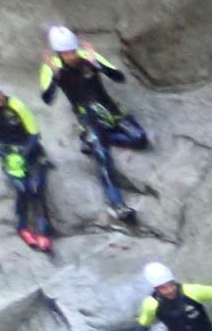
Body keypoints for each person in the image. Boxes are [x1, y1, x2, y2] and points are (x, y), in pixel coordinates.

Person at [40, 26, 148, 220]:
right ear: (59, 53)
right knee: (102, 157)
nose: (71, 56)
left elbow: (119, 77)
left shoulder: (86, 56)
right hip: (86, 116)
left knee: (139, 138)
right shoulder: (51, 66)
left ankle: (99, 140)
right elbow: (47, 99)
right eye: (66, 53)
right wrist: (56, 76)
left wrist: (97, 64)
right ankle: (118, 205)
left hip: (109, 109)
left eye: (72, 51)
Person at [0, 72, 53, 252]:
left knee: (36, 187)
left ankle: (42, 230)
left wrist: (24, 155)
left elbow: (34, 133)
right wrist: (6, 156)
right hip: (9, 154)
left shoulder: (15, 105)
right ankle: (22, 226)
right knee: (22, 188)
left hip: (31, 150)